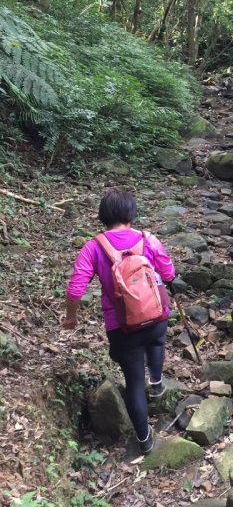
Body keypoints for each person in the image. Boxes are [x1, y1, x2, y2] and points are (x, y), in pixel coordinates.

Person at [63, 189, 176, 455]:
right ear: (131, 213)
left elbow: (74, 290)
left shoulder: (93, 247)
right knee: (158, 341)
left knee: (134, 379)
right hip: (156, 313)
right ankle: (157, 381)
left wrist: (71, 317)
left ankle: (145, 440)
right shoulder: (148, 239)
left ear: (103, 216)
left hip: (122, 326)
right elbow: (168, 271)